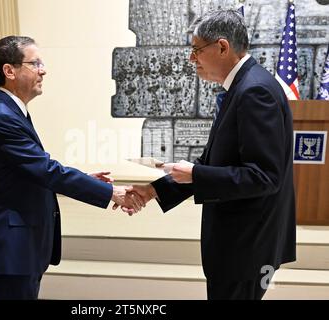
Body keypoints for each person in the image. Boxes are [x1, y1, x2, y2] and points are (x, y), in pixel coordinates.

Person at [119, 10, 296, 300]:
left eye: (196, 49)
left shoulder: (254, 92)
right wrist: (153, 190)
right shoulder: (243, 86)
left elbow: (265, 176)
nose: (192, 59)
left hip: (246, 246)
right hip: (242, 244)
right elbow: (216, 163)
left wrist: (196, 174)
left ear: (222, 47)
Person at [0, 36, 143, 300]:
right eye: (35, 63)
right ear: (9, 70)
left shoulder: (12, 112)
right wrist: (110, 192)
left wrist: (88, 180)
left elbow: (30, 172)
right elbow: (48, 170)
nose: (44, 70)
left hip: (23, 246)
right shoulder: (0, 118)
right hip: (11, 248)